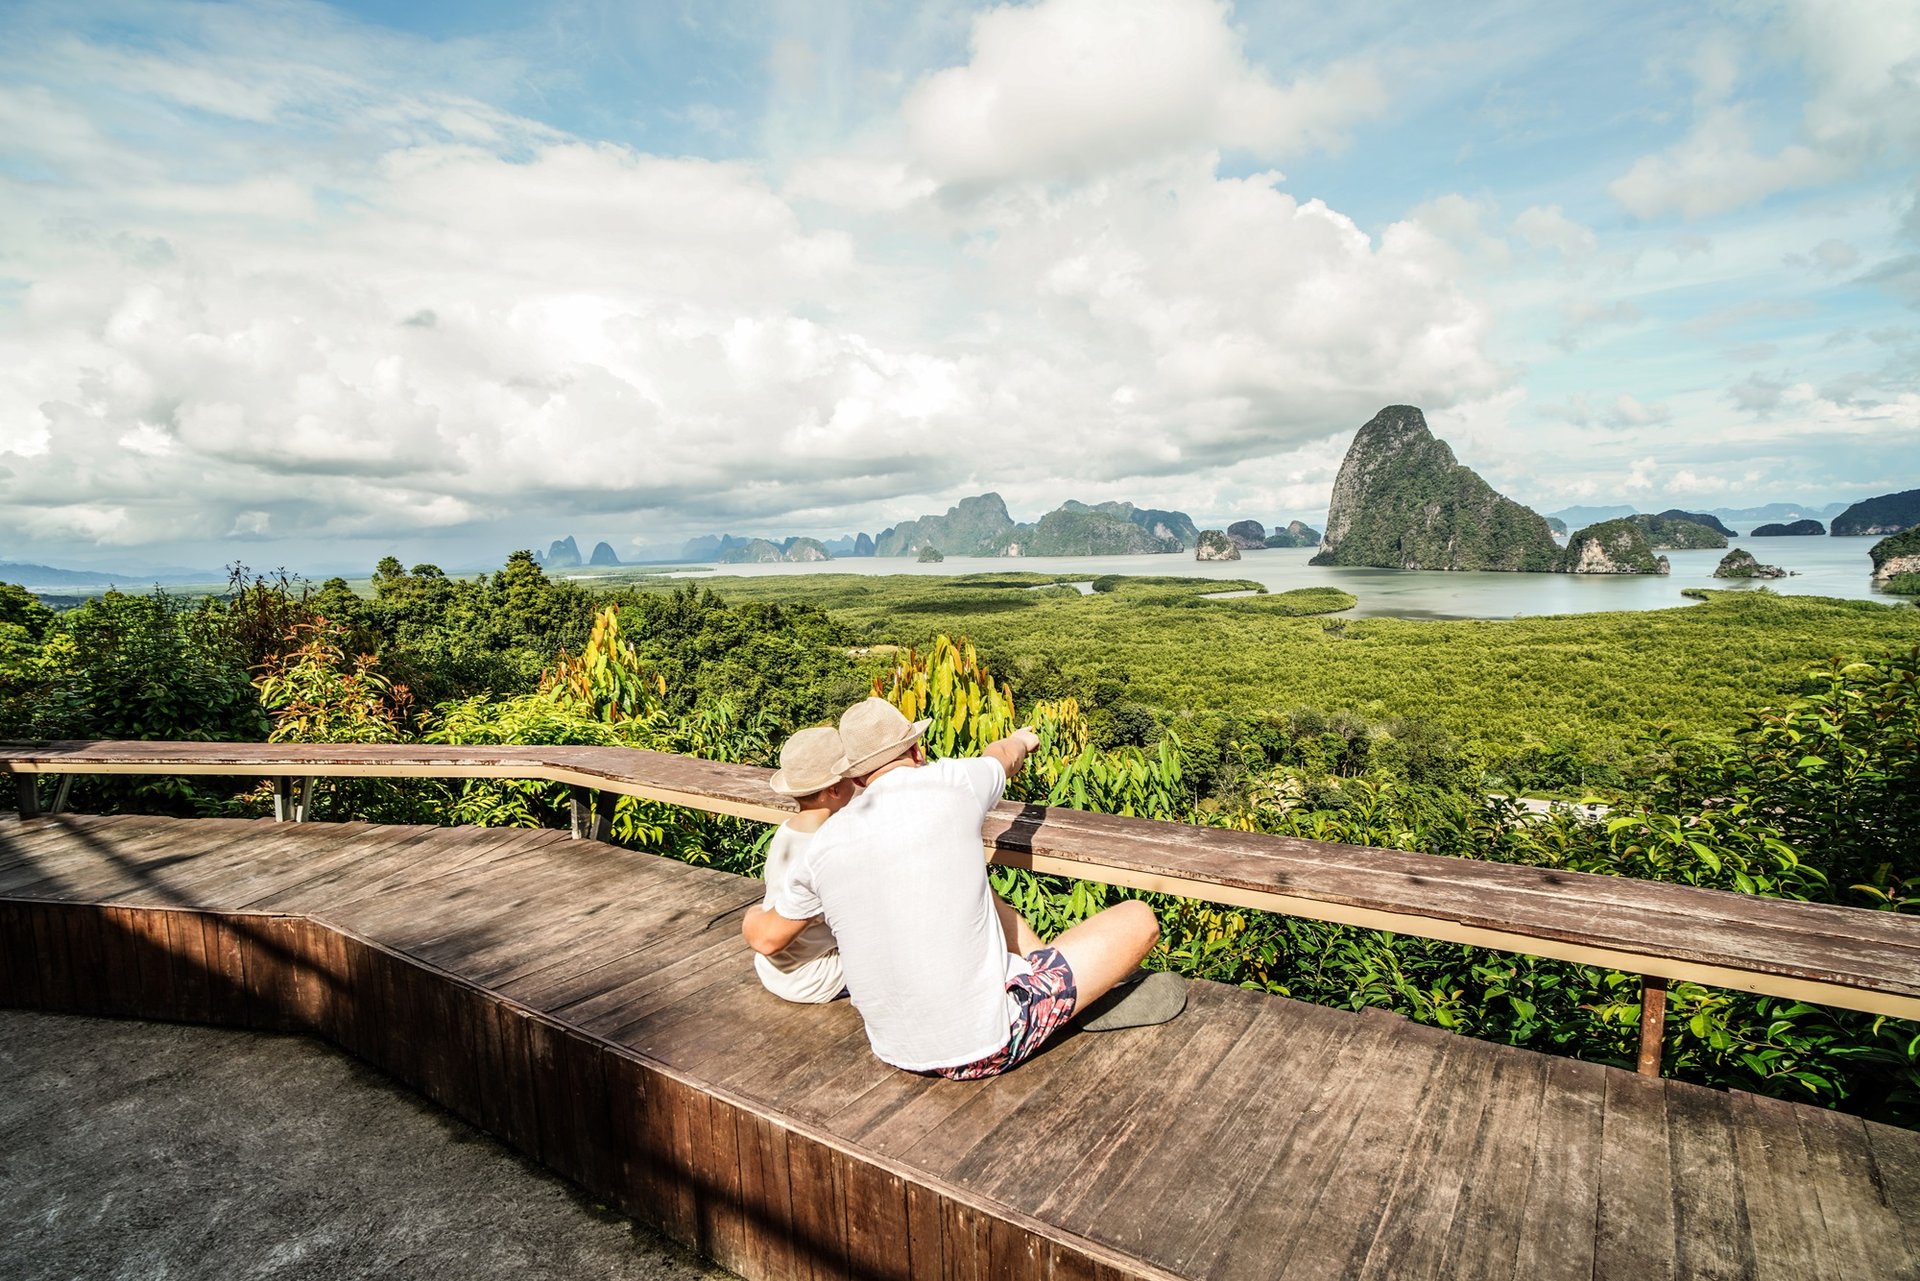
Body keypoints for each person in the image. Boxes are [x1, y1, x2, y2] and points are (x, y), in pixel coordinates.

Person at [744, 697, 1160, 1079]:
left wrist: (750, 917)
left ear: (855, 776)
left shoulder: (821, 846)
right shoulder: (954, 781)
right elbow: (1003, 757)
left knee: (980, 895)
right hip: (989, 1046)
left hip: (893, 1048)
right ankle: (1057, 995)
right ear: (916, 751)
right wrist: (1022, 739)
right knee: (1138, 919)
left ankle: (1045, 976)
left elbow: (769, 936)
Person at [742, 726, 851, 1004]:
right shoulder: (824, 851)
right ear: (835, 789)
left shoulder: (789, 832)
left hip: (775, 970)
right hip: (815, 977)